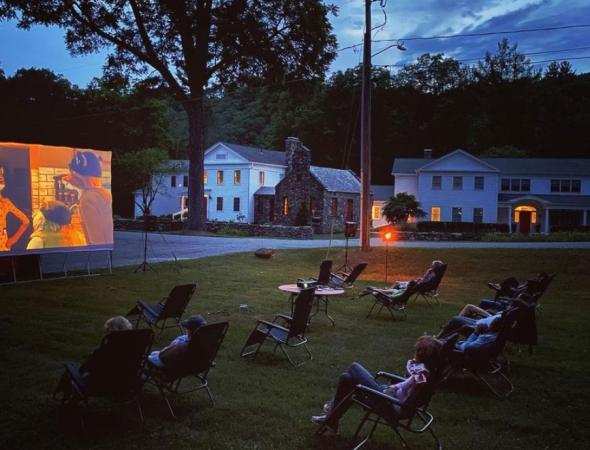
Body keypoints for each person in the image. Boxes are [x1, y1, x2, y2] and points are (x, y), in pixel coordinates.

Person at [311, 335, 442, 437]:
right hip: (389, 396)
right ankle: (331, 421)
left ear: (420, 354)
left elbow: (405, 404)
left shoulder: (422, 378)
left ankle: (331, 414)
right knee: (346, 379)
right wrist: (394, 388)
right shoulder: (427, 372)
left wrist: (390, 397)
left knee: (354, 367)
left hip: (388, 403)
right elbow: (407, 385)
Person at [63, 150, 113, 246]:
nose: (70, 178)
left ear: (78, 175)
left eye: (72, 174)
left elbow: (96, 241)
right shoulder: (105, 193)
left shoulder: (87, 199)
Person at [0, 166, 30, 251]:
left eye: (2, 174)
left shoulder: (6, 202)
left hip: (3, 247)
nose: (1, 176)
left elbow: (26, 221)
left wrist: (13, 239)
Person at [437, 304, 502, 338]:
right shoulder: (508, 312)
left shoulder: (508, 316)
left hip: (479, 326)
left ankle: (439, 337)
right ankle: (448, 328)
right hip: (488, 318)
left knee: (456, 319)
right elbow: (497, 314)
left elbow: (494, 328)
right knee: (469, 307)